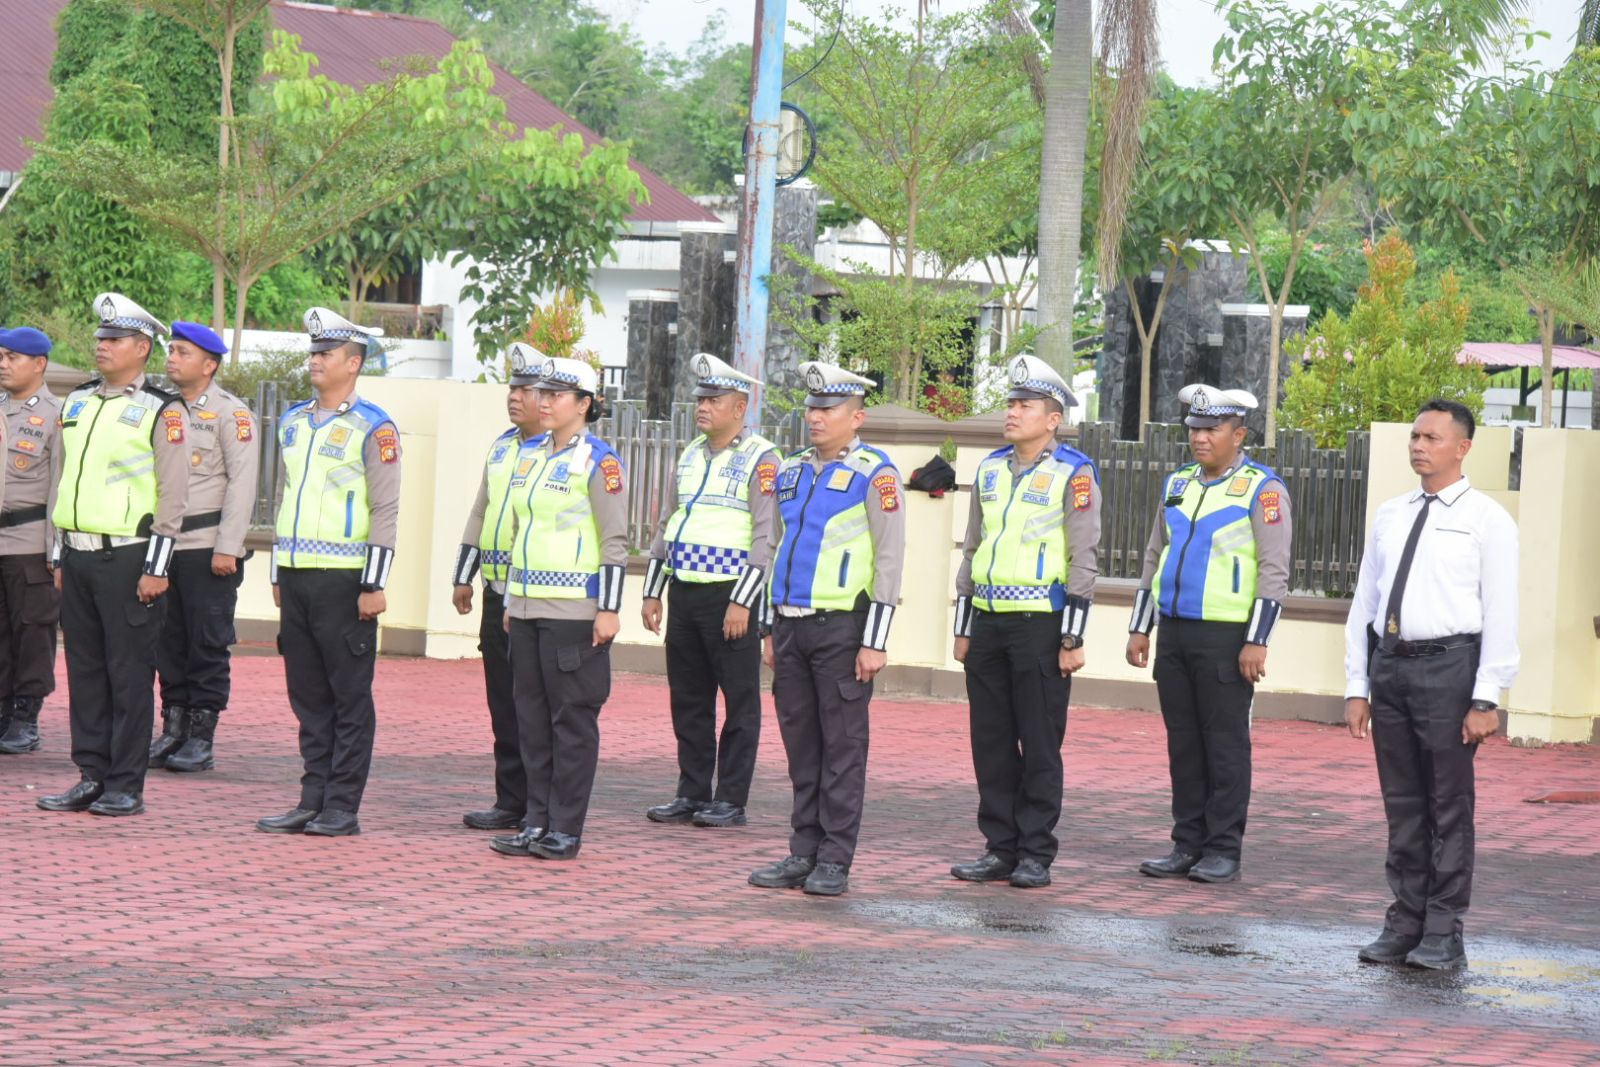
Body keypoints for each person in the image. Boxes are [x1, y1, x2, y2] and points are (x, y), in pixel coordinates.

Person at [1343, 399, 1518, 972]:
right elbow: (1365, 602)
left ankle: (1444, 930)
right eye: (1415, 437)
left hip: (1450, 669)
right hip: (1391, 666)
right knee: (1403, 804)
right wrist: (1357, 684)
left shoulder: (1487, 520)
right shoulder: (1391, 514)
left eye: (1432, 438)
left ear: (1462, 448)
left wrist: (1486, 696)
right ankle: (1405, 921)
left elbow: (1502, 611)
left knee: (1447, 805)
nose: (1419, 446)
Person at [748, 361, 905, 898]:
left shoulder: (875, 473)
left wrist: (875, 640)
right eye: (812, 408)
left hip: (841, 627)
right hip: (790, 626)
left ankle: (835, 858)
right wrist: (768, 626)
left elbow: (889, 559)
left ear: (856, 417)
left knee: (842, 747)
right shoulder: (791, 470)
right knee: (802, 747)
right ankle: (803, 851)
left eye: (828, 409)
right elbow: (771, 547)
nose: (815, 417)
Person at [1124, 384, 1291, 884]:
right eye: (1194, 428)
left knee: (1224, 746)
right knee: (1184, 745)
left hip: (1226, 636)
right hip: (1174, 632)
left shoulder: (1262, 489)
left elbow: (1274, 570)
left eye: (1212, 429)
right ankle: (1186, 843)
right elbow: (1154, 556)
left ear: (1238, 435)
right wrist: (1140, 627)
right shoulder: (1177, 484)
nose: (1200, 437)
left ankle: (1222, 849)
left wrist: (1257, 640)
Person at [949, 355, 1101, 889]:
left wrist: (1072, 635)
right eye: (1011, 403)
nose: (1012, 412)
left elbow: (1083, 557)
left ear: (1053, 419)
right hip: (988, 622)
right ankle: (1000, 847)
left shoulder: (1074, 472)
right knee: (990, 741)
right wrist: (963, 626)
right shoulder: (990, 469)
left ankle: (1035, 852)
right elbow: (972, 549)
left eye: (1025, 405)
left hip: (1041, 623)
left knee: (1038, 742)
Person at [38, 294, 189, 817]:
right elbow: (61, 479)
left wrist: (157, 566)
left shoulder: (162, 409)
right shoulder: (78, 401)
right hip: (78, 556)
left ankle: (125, 783)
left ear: (142, 348)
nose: (101, 346)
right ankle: (91, 775)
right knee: (85, 673)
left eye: (114, 339)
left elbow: (173, 495)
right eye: (100, 338)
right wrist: (58, 553)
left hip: (129, 559)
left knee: (128, 675)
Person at [256, 307, 399, 838]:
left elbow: (386, 509)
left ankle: (341, 805)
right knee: (308, 696)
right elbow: (284, 498)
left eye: (326, 352)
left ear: (354, 363)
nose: (315, 359)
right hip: (297, 578)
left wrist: (374, 582)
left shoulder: (375, 427)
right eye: (313, 351)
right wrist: (278, 570)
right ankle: (310, 798)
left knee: (348, 697)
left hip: (346, 580)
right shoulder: (294, 422)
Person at [488, 356, 626, 862]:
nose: (543, 402)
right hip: (526, 609)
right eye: (541, 393)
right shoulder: (529, 456)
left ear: (584, 404)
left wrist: (608, 608)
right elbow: (519, 531)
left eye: (556, 395)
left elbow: (615, 541)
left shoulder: (599, 462)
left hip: (574, 613)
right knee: (531, 721)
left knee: (571, 724)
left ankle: (564, 828)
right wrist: (511, 600)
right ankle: (535, 821)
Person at [640, 352, 777, 829]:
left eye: (714, 400)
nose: (702, 407)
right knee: (689, 699)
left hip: (729, 596)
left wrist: (743, 601)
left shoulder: (762, 458)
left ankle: (731, 799)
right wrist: (653, 590)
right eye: (701, 399)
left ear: (740, 407)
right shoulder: (690, 454)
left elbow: (766, 536)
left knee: (739, 701)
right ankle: (692, 791)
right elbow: (667, 524)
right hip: (685, 592)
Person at [148, 321, 260, 774]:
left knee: (206, 643)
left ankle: (201, 737)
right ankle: (173, 729)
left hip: (208, 546)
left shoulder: (232, 414)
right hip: (165, 546)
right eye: (171, 350)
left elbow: (242, 485)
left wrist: (228, 547)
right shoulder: (163, 409)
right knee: (168, 641)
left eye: (183, 352)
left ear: (209, 365)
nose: (172, 358)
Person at [450, 342, 545, 831]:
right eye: (513, 388)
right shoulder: (503, 445)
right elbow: (481, 509)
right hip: (495, 591)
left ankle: (540, 805)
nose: (515, 397)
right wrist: (462, 574)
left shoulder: (558, 452)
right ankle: (510, 800)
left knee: (535, 705)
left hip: (537, 599)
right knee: (502, 702)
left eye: (525, 389)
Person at [0, 327, 60, 756]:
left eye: (12, 357)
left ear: (39, 364)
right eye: (1, 356)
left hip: (30, 542)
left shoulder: (57, 416)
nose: (3, 364)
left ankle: (26, 715)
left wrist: (56, 550)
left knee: (32, 632)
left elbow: (59, 486)